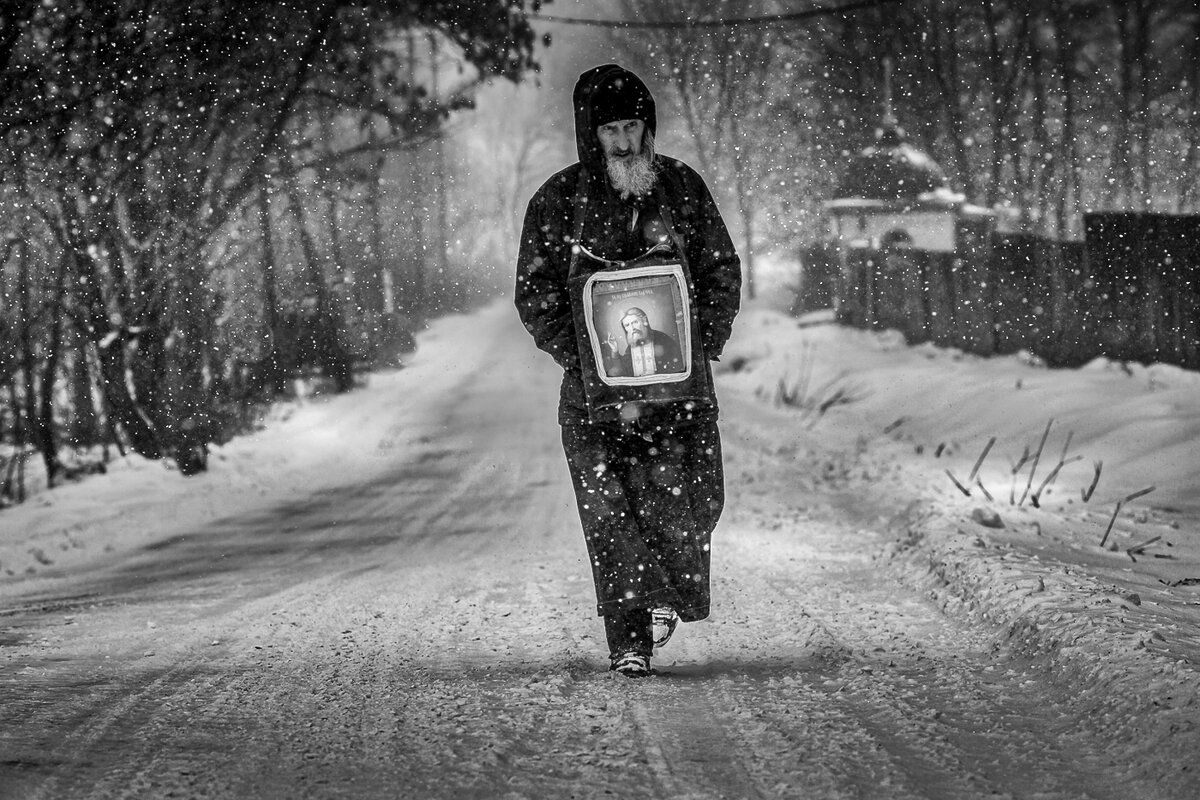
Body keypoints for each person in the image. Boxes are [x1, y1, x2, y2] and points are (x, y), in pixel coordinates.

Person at [514, 64, 741, 677]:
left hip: (681, 391)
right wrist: (584, 355)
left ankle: (666, 591)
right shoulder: (558, 202)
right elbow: (534, 293)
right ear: (592, 133)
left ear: (648, 126)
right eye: (611, 129)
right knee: (610, 510)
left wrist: (703, 340)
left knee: (693, 498)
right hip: (596, 401)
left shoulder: (682, 189)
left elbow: (721, 268)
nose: (624, 141)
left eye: (633, 126)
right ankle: (629, 640)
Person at [603, 306, 683, 378]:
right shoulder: (631, 346)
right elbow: (623, 369)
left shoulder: (662, 339)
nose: (632, 328)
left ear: (644, 320)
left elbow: (676, 365)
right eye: (627, 325)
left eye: (635, 322)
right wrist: (615, 350)